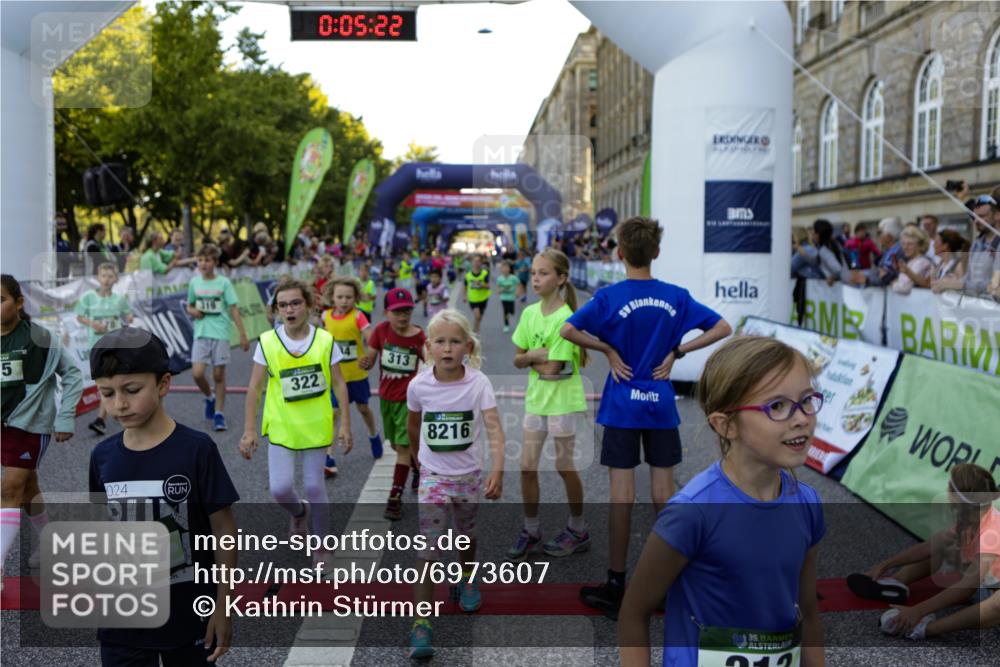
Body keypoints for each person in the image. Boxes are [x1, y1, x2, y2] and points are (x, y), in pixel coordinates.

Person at [560, 217, 732, 619]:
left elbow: (568, 331)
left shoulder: (609, 296)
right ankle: (672, 581)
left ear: (619, 252)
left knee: (622, 495)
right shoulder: (675, 296)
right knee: (663, 494)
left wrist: (608, 350)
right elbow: (722, 327)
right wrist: (678, 352)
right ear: (656, 252)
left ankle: (616, 583)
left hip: (622, 404)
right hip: (659, 402)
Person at [618, 336, 825, 667]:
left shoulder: (808, 504)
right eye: (777, 406)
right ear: (726, 425)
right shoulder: (692, 512)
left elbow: (809, 612)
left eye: (806, 400)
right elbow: (634, 611)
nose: (800, 418)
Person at [88, 327, 237, 665]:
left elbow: (224, 532)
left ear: (164, 384)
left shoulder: (197, 449)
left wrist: (223, 605)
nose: (119, 404)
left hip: (189, 615)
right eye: (106, 393)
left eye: (132, 390)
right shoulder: (102, 456)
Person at [406, 309, 505, 659]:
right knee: (427, 549)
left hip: (469, 477)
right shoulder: (419, 385)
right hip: (434, 478)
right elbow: (413, 425)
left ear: (467, 345)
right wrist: (422, 464)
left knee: (467, 535)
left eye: (455, 341)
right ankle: (421, 622)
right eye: (440, 342)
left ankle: (467, 577)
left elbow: (493, 428)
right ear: (429, 346)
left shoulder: (478, 383)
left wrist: (498, 470)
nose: (447, 349)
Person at [240, 277, 353, 566]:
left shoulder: (325, 340)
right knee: (280, 489)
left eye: (295, 303)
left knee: (315, 486)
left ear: (310, 305)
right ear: (277, 310)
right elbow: (254, 387)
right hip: (282, 424)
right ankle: (299, 513)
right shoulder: (268, 342)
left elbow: (340, 383)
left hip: (316, 423)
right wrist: (249, 430)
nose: (289, 310)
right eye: (283, 305)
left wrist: (346, 425)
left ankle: (322, 548)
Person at [847, 463, 999, 641]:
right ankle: (895, 582)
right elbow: (932, 546)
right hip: (986, 587)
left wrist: (918, 610)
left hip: (989, 592)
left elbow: (966, 588)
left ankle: (926, 629)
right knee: (944, 546)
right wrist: (886, 565)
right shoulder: (973, 515)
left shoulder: (992, 531)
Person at [508, 248, 589, 562]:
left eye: (543, 273)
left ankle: (578, 528)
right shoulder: (529, 313)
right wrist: (532, 356)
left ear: (561, 278)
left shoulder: (566, 318)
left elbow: (554, 370)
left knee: (564, 466)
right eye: (533, 273)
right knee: (526, 467)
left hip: (563, 402)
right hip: (537, 401)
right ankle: (531, 530)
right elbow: (518, 358)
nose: (536, 278)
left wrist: (534, 359)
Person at [1, 274, 83, 578]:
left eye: (0, 300)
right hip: (3, 426)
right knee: (28, 487)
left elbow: (73, 374)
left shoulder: (40, 338)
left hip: (30, 423)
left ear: (19, 303)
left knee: (9, 488)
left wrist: (65, 417)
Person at [359, 288, 426, 520]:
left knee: (404, 447)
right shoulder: (380, 331)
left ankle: (394, 497)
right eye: (397, 312)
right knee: (398, 447)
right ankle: (417, 469)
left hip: (409, 401)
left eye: (407, 310)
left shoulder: (419, 336)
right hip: (386, 398)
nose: (402, 316)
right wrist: (366, 362)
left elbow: (431, 363)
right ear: (387, 312)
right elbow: (371, 355)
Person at [321, 277, 383, 468]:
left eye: (349, 297)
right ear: (332, 297)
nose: (344, 301)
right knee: (334, 413)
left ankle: (373, 434)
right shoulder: (326, 316)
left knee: (363, 409)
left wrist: (371, 354)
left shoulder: (358, 316)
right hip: (335, 375)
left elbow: (371, 337)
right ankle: (328, 456)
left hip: (356, 374)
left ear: (355, 298)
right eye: (340, 297)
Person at [186, 243, 250, 432]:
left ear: (215, 262)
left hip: (220, 332)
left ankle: (219, 414)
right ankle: (209, 397)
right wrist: (193, 311)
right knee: (197, 373)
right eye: (200, 260)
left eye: (207, 260)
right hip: (201, 333)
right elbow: (189, 305)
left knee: (218, 375)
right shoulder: (194, 283)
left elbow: (233, 309)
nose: (203, 264)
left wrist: (243, 334)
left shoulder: (224, 283)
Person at [75, 262, 133, 435]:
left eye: (110, 276)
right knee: (104, 383)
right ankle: (116, 412)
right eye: (103, 276)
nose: (106, 279)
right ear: (97, 278)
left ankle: (102, 419)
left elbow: (128, 315)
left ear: (115, 279)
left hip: (114, 345)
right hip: (96, 345)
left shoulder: (119, 299)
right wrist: (93, 323)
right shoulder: (88, 297)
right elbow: (79, 316)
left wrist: (128, 318)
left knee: (108, 381)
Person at [961, 194, 1000, 296]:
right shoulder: (977, 243)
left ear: (997, 215)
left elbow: (994, 284)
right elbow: (970, 276)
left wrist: (960, 284)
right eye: (975, 216)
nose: (977, 221)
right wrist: (953, 280)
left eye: (982, 216)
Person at [890, 225, 934, 294]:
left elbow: (904, 288)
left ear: (920, 246)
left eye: (910, 244)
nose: (905, 247)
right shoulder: (912, 261)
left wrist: (893, 284)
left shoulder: (922, 262)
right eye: (903, 244)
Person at [866, 217, 904, 286]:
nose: (878, 236)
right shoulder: (887, 251)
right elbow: (880, 272)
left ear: (890, 235)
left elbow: (893, 276)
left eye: (880, 232)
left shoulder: (901, 251)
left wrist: (867, 280)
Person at [812, 218, 851, 285]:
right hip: (846, 283)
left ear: (818, 235)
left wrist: (831, 277)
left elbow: (837, 269)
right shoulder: (834, 244)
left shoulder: (824, 250)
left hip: (839, 286)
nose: (812, 235)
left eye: (814, 232)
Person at [462, 254, 491, 335]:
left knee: (478, 318)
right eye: (474, 261)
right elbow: (465, 286)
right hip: (473, 299)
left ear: (481, 263)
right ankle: (476, 334)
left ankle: (474, 329)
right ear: (471, 262)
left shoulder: (484, 273)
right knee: (477, 316)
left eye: (478, 261)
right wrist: (464, 296)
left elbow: (488, 286)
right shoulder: (468, 275)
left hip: (483, 298)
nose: (476, 263)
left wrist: (481, 284)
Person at [496, 260, 520, 333]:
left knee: (511, 311)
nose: (505, 270)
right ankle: (506, 325)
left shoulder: (513, 278)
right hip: (504, 298)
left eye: (507, 268)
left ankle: (510, 315)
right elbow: (498, 288)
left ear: (510, 269)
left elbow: (518, 284)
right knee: (505, 311)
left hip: (511, 297)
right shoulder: (500, 279)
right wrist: (500, 291)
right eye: (504, 268)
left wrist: (517, 292)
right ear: (501, 269)